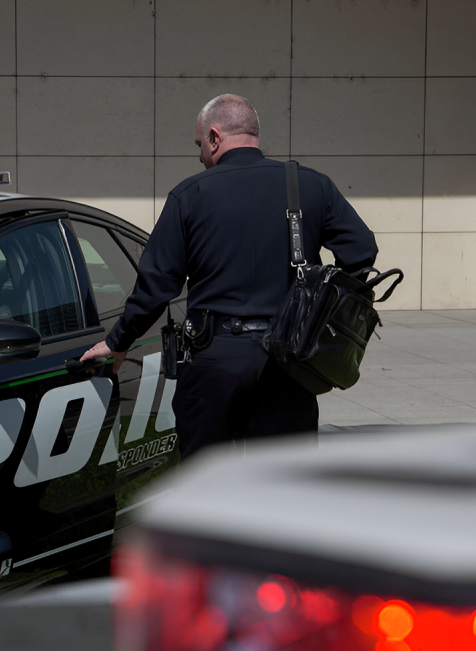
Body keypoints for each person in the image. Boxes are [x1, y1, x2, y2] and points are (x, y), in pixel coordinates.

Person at [81, 94, 378, 459]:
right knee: (284, 486)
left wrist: (118, 342)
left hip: (214, 362)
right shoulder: (310, 185)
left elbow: (156, 286)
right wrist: (322, 313)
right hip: (289, 365)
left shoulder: (190, 195)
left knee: (206, 488)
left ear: (215, 137)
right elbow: (362, 253)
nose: (200, 155)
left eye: (199, 144)